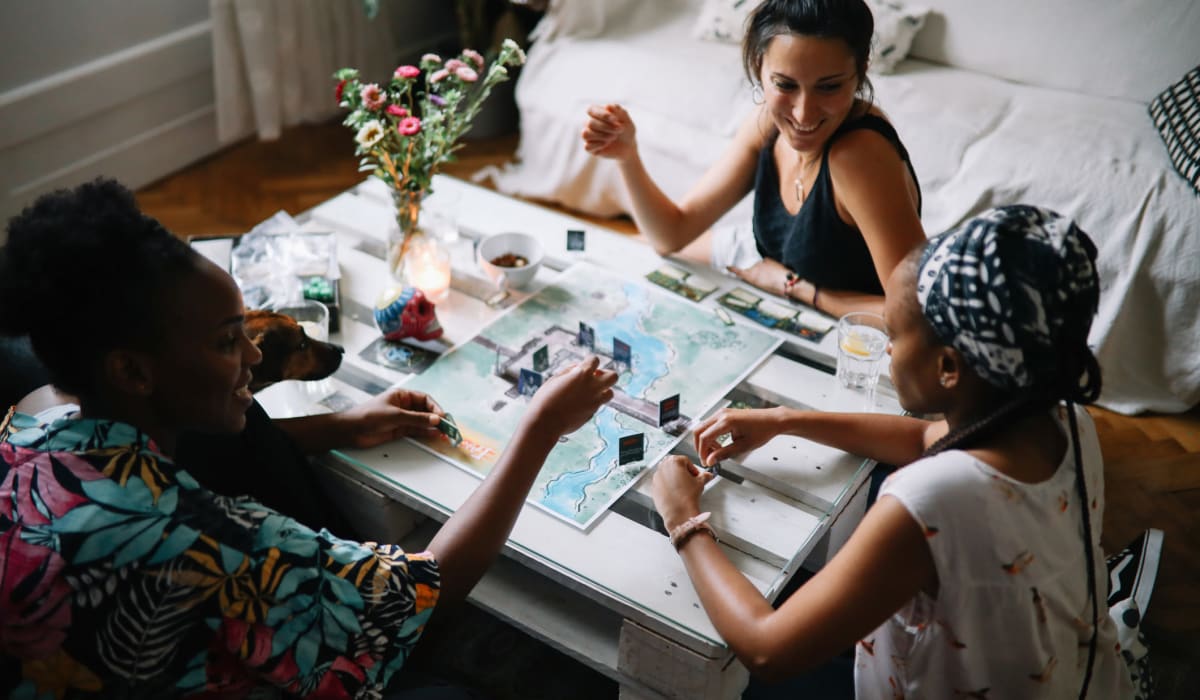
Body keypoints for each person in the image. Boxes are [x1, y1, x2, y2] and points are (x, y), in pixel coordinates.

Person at [0, 179, 619, 698]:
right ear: (132, 371)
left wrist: (344, 425)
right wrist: (538, 428)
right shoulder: (199, 540)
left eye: (244, 329)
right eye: (224, 342)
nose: (251, 354)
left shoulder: (29, 421)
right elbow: (423, 591)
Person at [652, 206, 1134, 698]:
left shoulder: (931, 501)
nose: (887, 350)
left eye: (896, 336)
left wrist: (683, 519)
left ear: (948, 367)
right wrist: (784, 420)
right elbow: (924, 439)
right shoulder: (1064, 420)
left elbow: (767, 649)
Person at [581, 0, 925, 318]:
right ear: (760, 67)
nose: (804, 114)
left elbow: (916, 312)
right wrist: (627, 157)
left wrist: (797, 288)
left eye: (829, 87)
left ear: (861, 70)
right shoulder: (766, 123)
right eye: (785, 85)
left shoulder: (859, 155)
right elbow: (670, 234)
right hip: (759, 260)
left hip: (845, 318)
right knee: (624, 258)